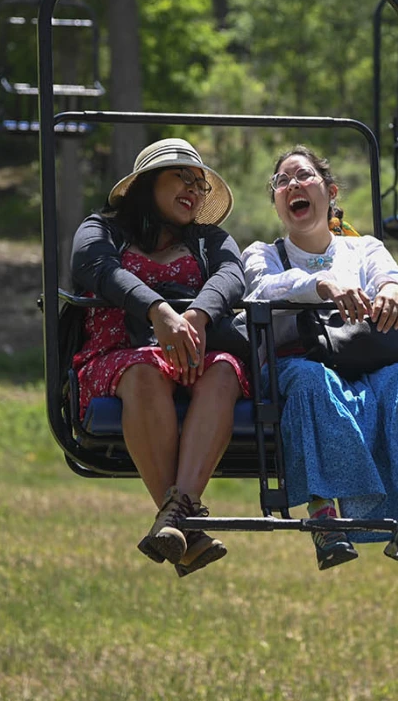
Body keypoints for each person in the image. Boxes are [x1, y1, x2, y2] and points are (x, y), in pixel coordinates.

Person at [241, 145, 398, 573]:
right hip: (299, 366)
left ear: (330, 191)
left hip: (366, 364)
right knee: (312, 382)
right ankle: (325, 517)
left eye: (303, 177)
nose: (293, 186)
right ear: (278, 203)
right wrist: (321, 284)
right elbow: (263, 290)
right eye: (283, 182)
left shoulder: (362, 248)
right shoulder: (264, 254)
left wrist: (391, 288)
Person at [70, 138, 249, 578]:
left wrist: (197, 317)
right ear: (148, 183)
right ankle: (186, 518)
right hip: (119, 356)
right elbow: (93, 265)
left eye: (200, 183)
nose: (193, 189)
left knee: (226, 370)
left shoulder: (209, 241)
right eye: (181, 176)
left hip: (194, 352)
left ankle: (174, 519)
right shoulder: (104, 229)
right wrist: (158, 311)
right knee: (145, 371)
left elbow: (232, 274)